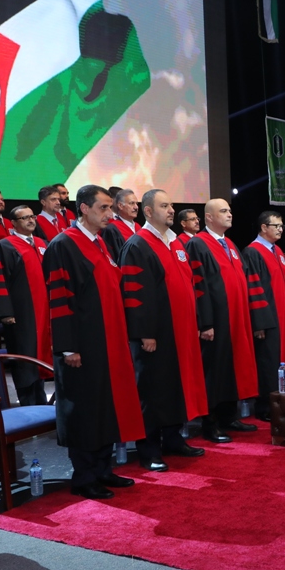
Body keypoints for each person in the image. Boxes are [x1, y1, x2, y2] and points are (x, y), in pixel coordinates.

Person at [44, 185, 145, 500]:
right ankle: (84, 476)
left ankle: (103, 468)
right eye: (103, 208)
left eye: (110, 208)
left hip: (107, 341)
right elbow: (59, 299)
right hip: (82, 345)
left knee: (105, 406)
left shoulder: (99, 242)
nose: (109, 214)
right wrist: (68, 347)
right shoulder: (64, 245)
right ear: (84, 208)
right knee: (86, 410)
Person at [120, 189, 208, 471]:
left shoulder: (176, 243)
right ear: (148, 211)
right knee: (152, 390)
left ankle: (173, 439)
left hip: (180, 330)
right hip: (155, 333)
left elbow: (188, 284)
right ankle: (148, 450)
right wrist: (144, 333)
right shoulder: (138, 244)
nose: (171, 210)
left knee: (174, 386)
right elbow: (135, 293)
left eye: (171, 205)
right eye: (164, 205)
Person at [185, 199, 258, 443]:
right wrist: (205, 323)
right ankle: (211, 423)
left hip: (236, 316)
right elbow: (198, 285)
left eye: (229, 210)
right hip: (216, 319)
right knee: (214, 370)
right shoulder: (198, 244)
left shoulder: (230, 244)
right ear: (208, 217)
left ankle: (229, 416)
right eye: (223, 211)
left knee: (232, 366)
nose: (229, 214)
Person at [0, 206, 51, 406]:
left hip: (43, 311)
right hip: (21, 312)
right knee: (25, 357)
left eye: (32, 216)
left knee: (41, 355)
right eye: (24, 218)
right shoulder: (4, 246)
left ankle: (42, 404)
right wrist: (5, 312)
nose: (31, 220)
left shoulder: (42, 243)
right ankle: (28, 404)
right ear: (13, 223)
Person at [241, 212, 285, 422]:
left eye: (282, 226)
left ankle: (282, 399)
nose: (281, 229)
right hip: (268, 319)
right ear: (264, 227)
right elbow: (254, 289)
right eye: (276, 226)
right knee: (268, 361)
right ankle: (265, 405)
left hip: (283, 316)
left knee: (281, 359)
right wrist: (259, 323)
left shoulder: (278, 251)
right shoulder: (252, 252)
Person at [101, 189, 140, 258]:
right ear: (120, 206)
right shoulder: (111, 229)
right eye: (132, 203)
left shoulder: (138, 227)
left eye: (136, 203)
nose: (136, 207)